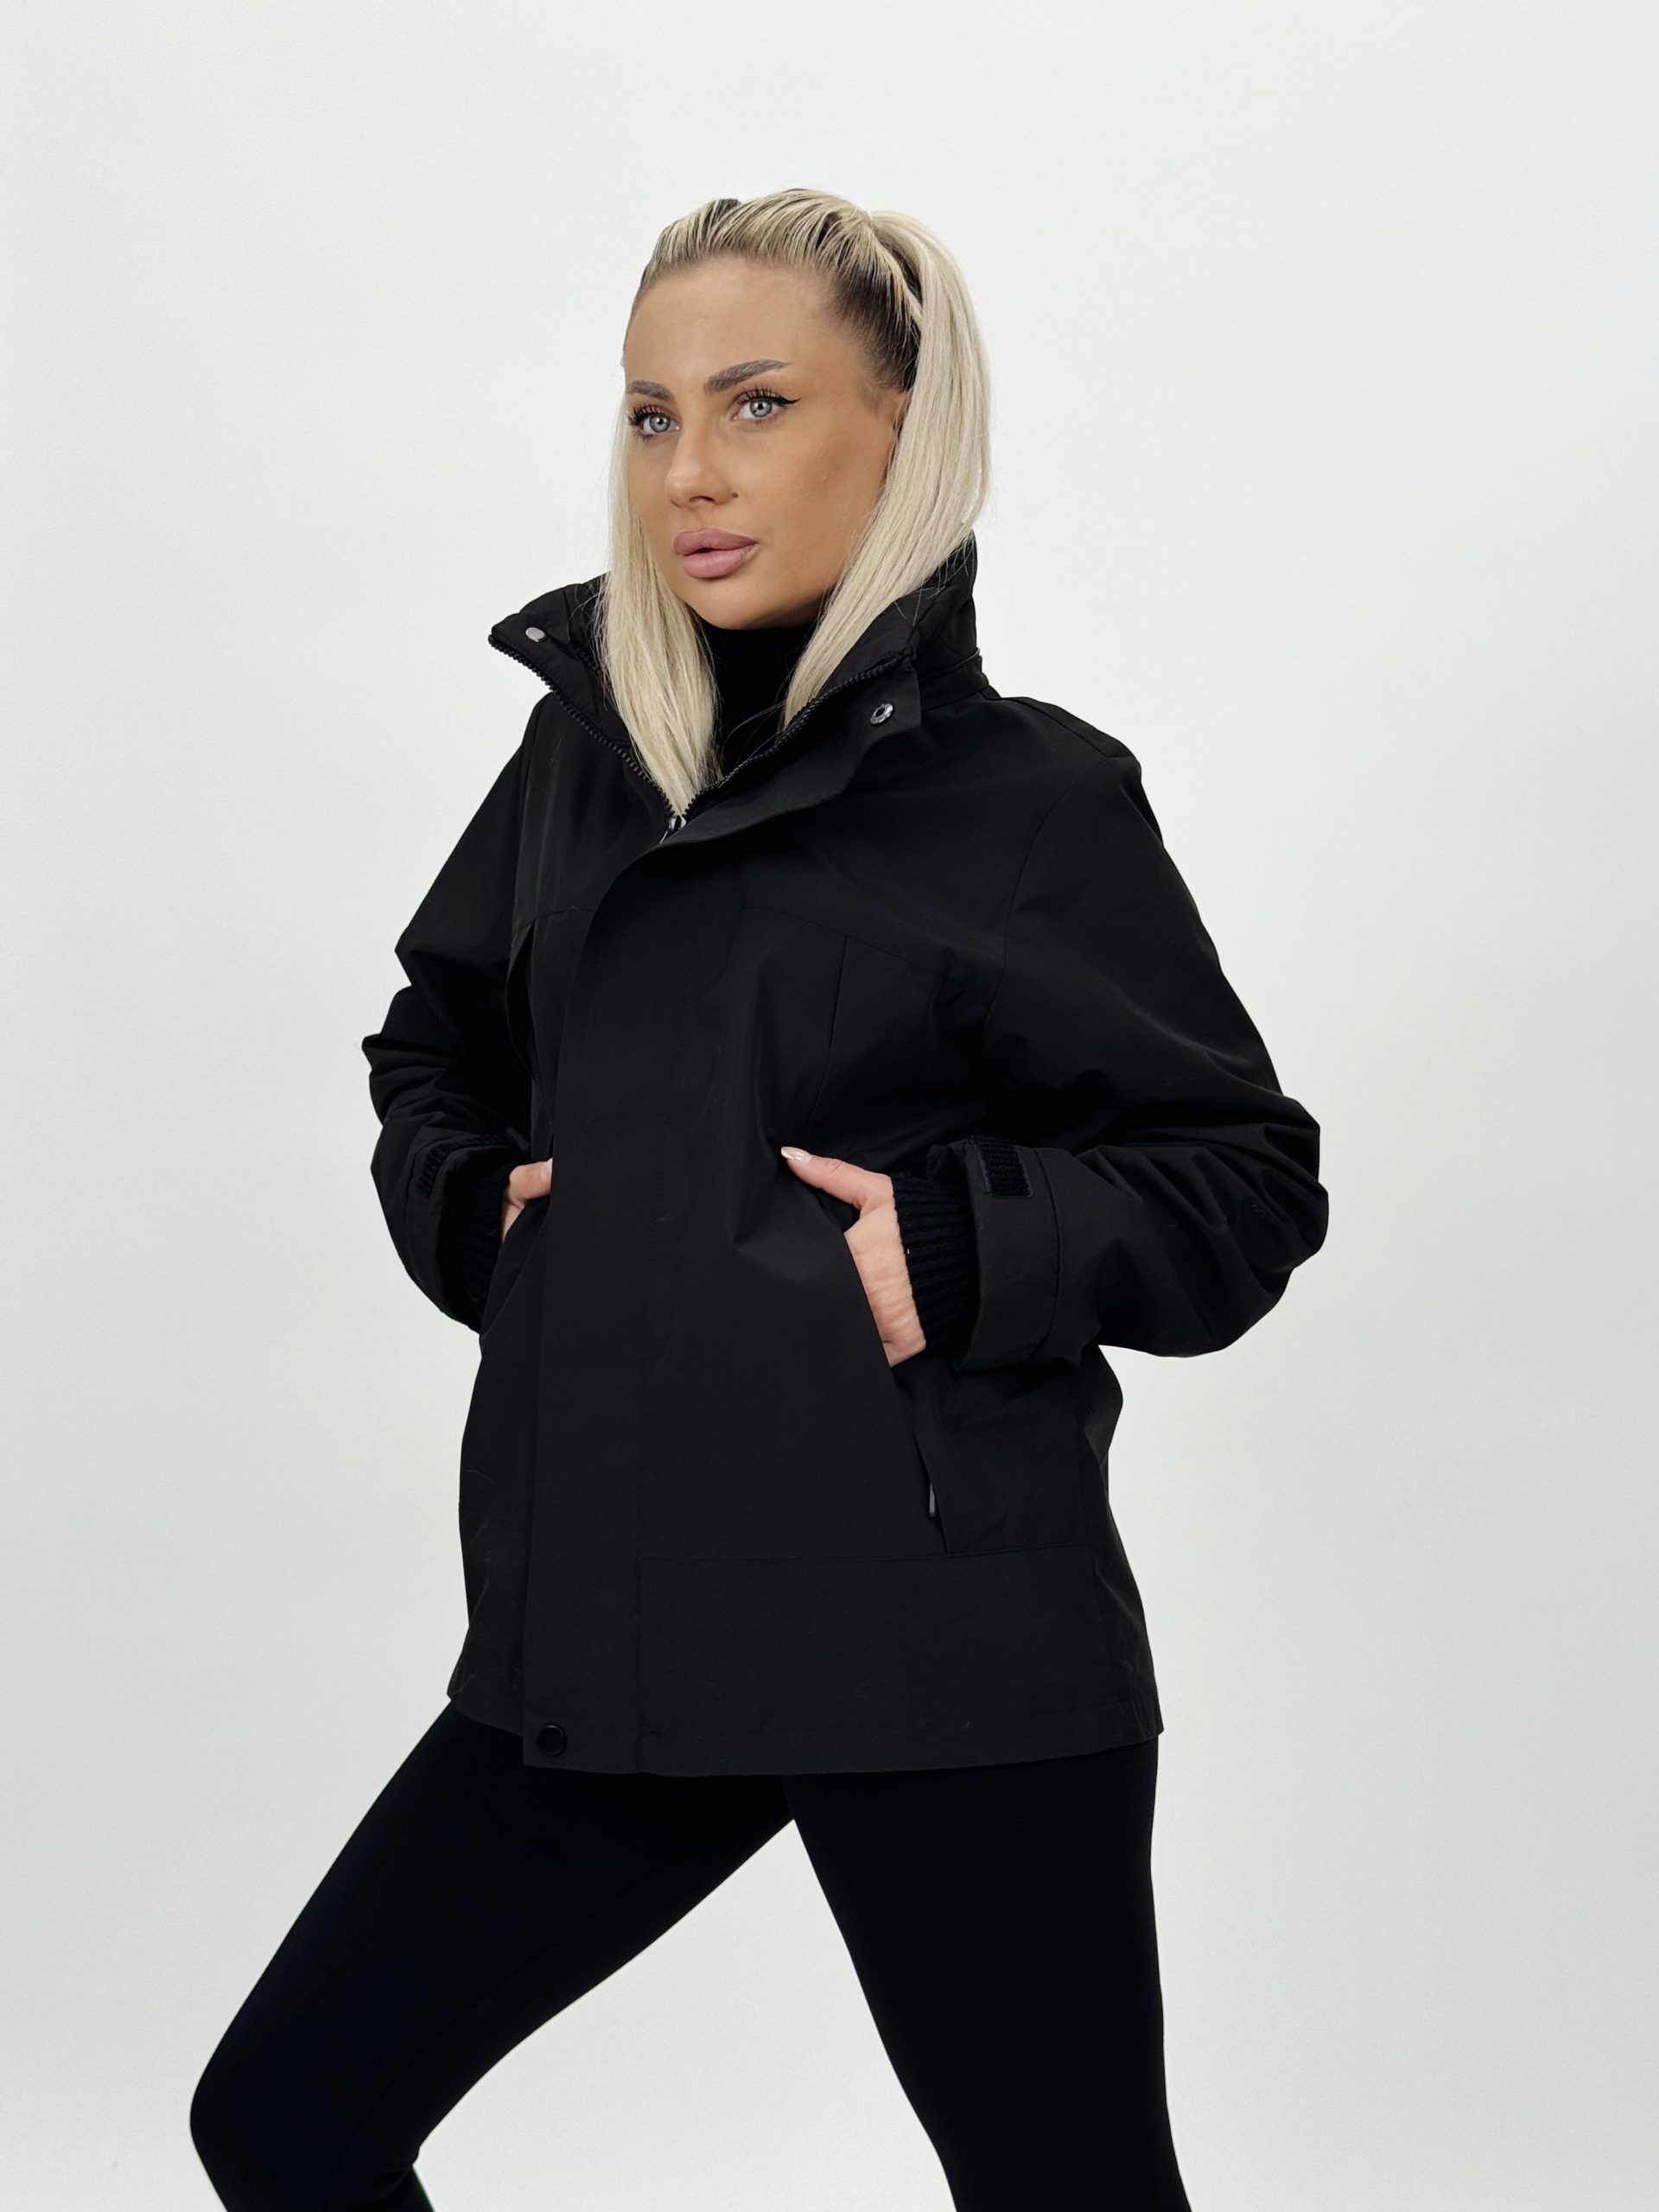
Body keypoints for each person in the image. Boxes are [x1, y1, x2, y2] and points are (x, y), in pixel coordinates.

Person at [189, 188, 1328, 2212]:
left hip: (943, 1648)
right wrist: (481, 1207)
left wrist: (954, 1247)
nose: (688, 473)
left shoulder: (1030, 803)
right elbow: (435, 1042)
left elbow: (1244, 1184)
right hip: (610, 1628)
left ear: (901, 426)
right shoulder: (586, 760)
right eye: (650, 414)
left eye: (757, 402)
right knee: (285, 2116)